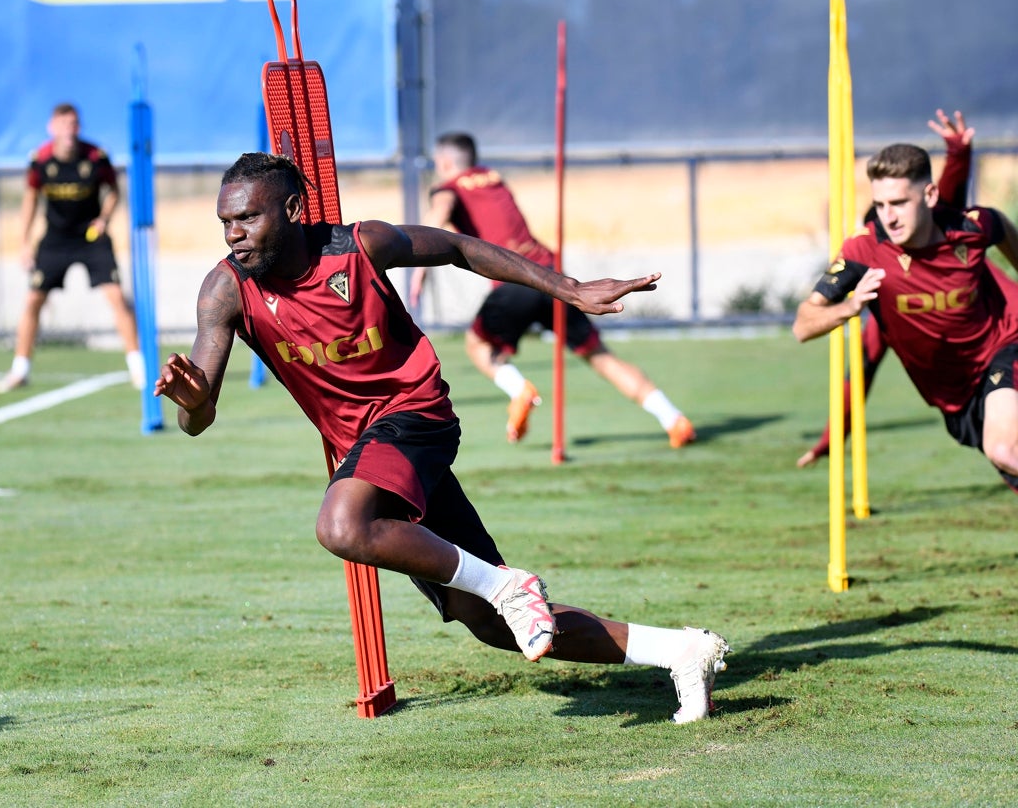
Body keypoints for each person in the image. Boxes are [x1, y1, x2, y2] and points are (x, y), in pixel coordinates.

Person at [155, 153, 731, 722]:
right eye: (226, 223)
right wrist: (191, 402)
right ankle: (679, 651)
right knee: (487, 621)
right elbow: (197, 415)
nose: (234, 235)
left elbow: (458, 248)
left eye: (247, 219)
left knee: (341, 526)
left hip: (415, 412)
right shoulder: (224, 292)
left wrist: (569, 288)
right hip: (369, 452)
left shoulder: (361, 246)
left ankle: (507, 585)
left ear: (293, 208)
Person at [408, 132, 696, 447]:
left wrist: (419, 271)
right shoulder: (493, 178)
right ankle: (673, 419)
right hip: (554, 277)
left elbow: (439, 212)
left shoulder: (448, 188)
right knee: (600, 356)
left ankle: (520, 391)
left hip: (515, 280)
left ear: (445, 162)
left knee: (477, 345)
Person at [792, 133, 1018, 492]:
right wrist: (851, 306)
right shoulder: (865, 252)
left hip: (1007, 346)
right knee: (1008, 463)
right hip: (956, 399)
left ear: (928, 196)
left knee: (1005, 450)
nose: (889, 217)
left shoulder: (971, 227)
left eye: (898, 203)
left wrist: (959, 152)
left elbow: (998, 226)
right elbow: (803, 326)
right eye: (880, 205)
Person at [0, 102, 144, 393]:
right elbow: (30, 200)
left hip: (90, 237)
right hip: (55, 239)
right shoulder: (41, 160)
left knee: (116, 297)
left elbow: (113, 191)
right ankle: (20, 369)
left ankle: (138, 368)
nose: (69, 130)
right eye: (63, 124)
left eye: (74, 124)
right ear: (52, 128)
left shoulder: (95, 157)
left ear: (79, 127)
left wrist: (104, 219)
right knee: (33, 301)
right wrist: (24, 243)